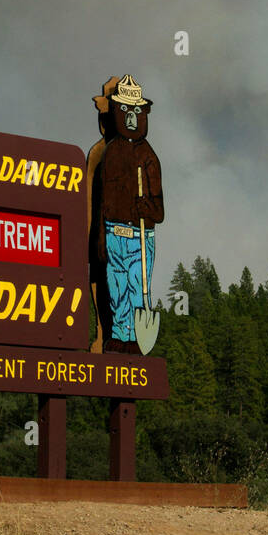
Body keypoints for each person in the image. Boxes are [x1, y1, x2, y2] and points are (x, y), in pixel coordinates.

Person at [87, 75, 164, 354]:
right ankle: (119, 334)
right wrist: (100, 238)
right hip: (113, 231)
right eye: (125, 112)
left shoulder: (148, 156)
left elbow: (159, 208)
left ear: (144, 114)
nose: (131, 118)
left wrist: (148, 208)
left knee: (138, 284)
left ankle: (137, 337)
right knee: (117, 286)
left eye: (136, 112)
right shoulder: (110, 153)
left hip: (139, 235)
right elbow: (102, 202)